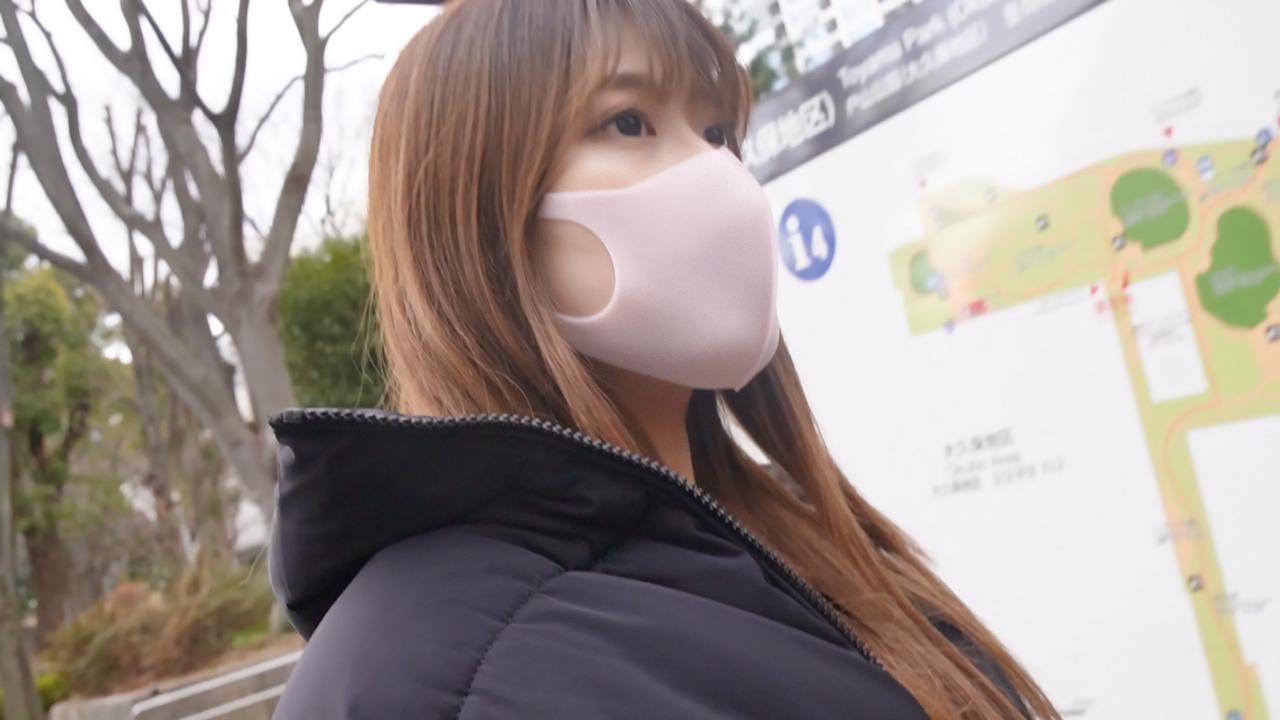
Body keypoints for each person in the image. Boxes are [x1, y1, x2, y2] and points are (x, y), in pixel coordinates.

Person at [267, 1, 1060, 717]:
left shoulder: (787, 526)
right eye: (628, 122)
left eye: (717, 134)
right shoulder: (417, 675)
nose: (720, 175)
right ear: (475, 211)